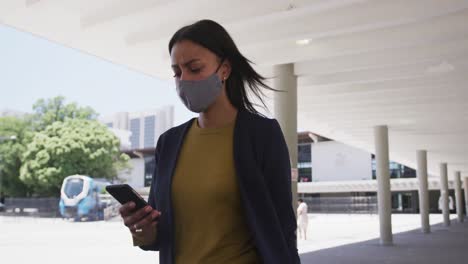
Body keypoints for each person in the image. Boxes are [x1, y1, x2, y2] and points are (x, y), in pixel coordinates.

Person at [118, 20, 300, 264]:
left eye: (194, 68)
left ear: (224, 69)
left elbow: (283, 227)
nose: (184, 80)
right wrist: (143, 229)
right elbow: (160, 235)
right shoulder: (168, 143)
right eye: (177, 72)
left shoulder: (262, 134)